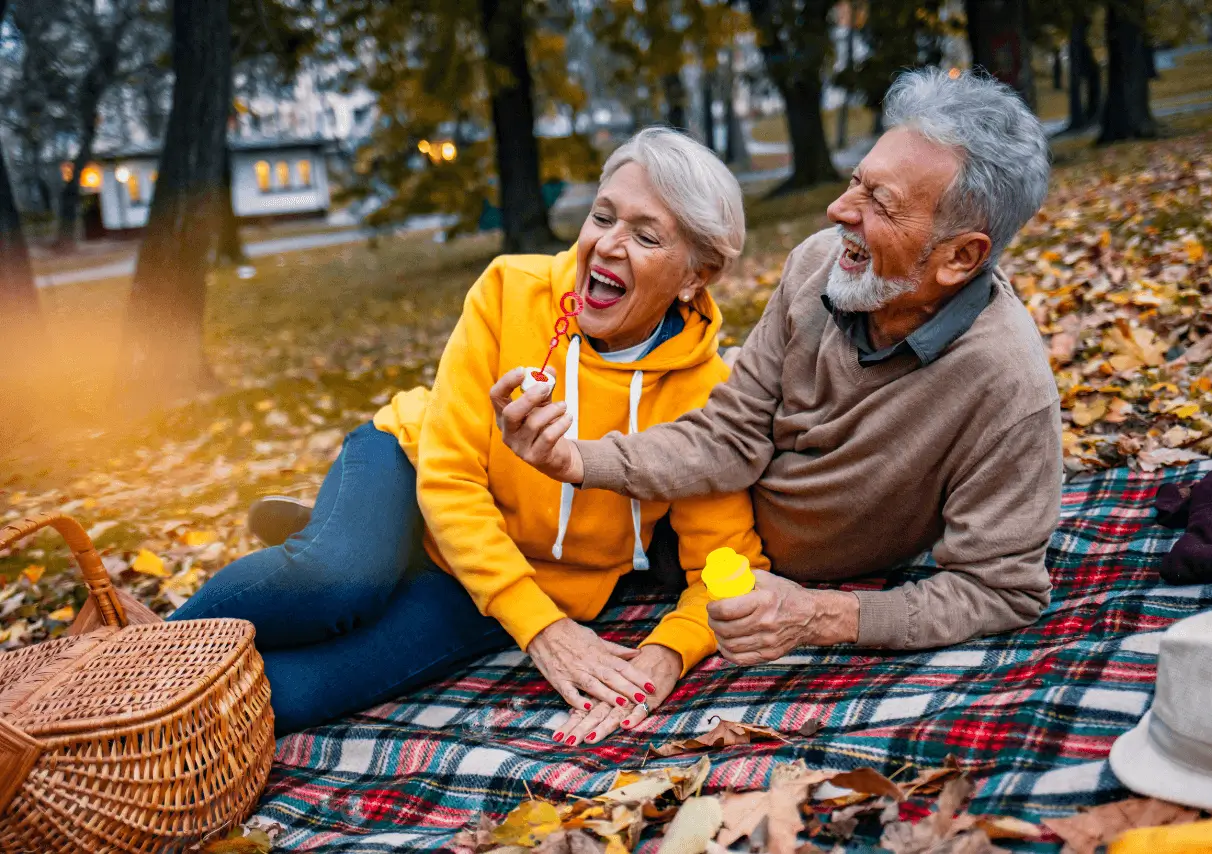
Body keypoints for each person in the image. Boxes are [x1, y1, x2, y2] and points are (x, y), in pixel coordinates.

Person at [171, 128, 768, 744]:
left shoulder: (707, 394)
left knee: (295, 697)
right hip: (411, 464)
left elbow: (726, 566)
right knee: (338, 581)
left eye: (645, 236)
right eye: (602, 216)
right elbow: (450, 475)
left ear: (698, 275)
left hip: (509, 570)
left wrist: (666, 653)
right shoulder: (510, 290)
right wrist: (542, 630)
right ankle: (125, 659)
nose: (607, 246)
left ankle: (384, 555)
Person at [493, 68, 1062, 663]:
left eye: (880, 203)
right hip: (662, 522)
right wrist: (575, 458)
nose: (839, 209)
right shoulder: (819, 266)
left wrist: (822, 616)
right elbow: (730, 436)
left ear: (961, 256)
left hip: (705, 561)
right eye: (855, 182)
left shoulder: (1007, 387)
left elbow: (1001, 589)